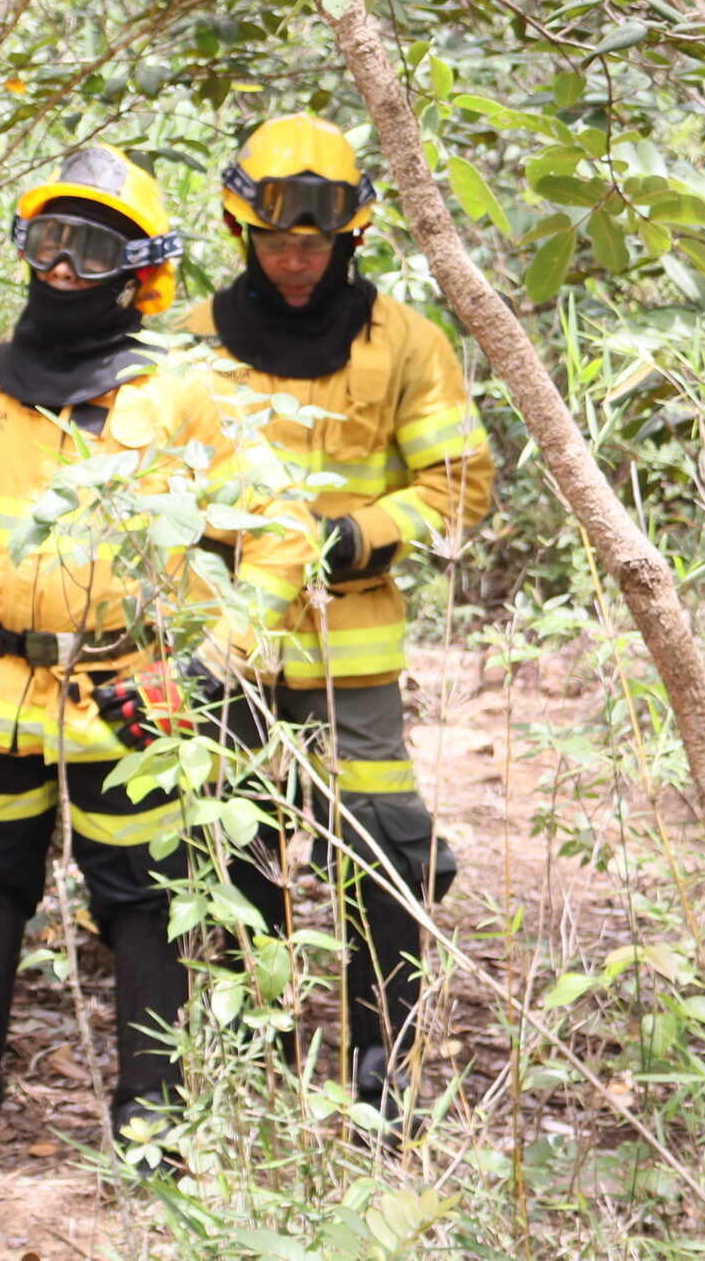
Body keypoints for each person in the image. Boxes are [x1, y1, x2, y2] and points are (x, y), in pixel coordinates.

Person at [0, 144, 310, 1159]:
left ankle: (152, 1105)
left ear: (140, 268)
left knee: (138, 890)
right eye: (45, 240)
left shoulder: (179, 389)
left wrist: (208, 668)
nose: (61, 266)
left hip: (129, 692)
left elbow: (282, 530)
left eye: (90, 245)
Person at [186, 114, 493, 1126]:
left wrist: (363, 533)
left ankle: (379, 1063)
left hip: (350, 651)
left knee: (380, 847)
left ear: (351, 236)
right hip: (226, 650)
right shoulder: (189, 341)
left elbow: (458, 480)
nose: (294, 259)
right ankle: (252, 1051)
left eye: (314, 242)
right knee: (235, 848)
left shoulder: (402, 338)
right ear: (241, 232)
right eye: (275, 240)